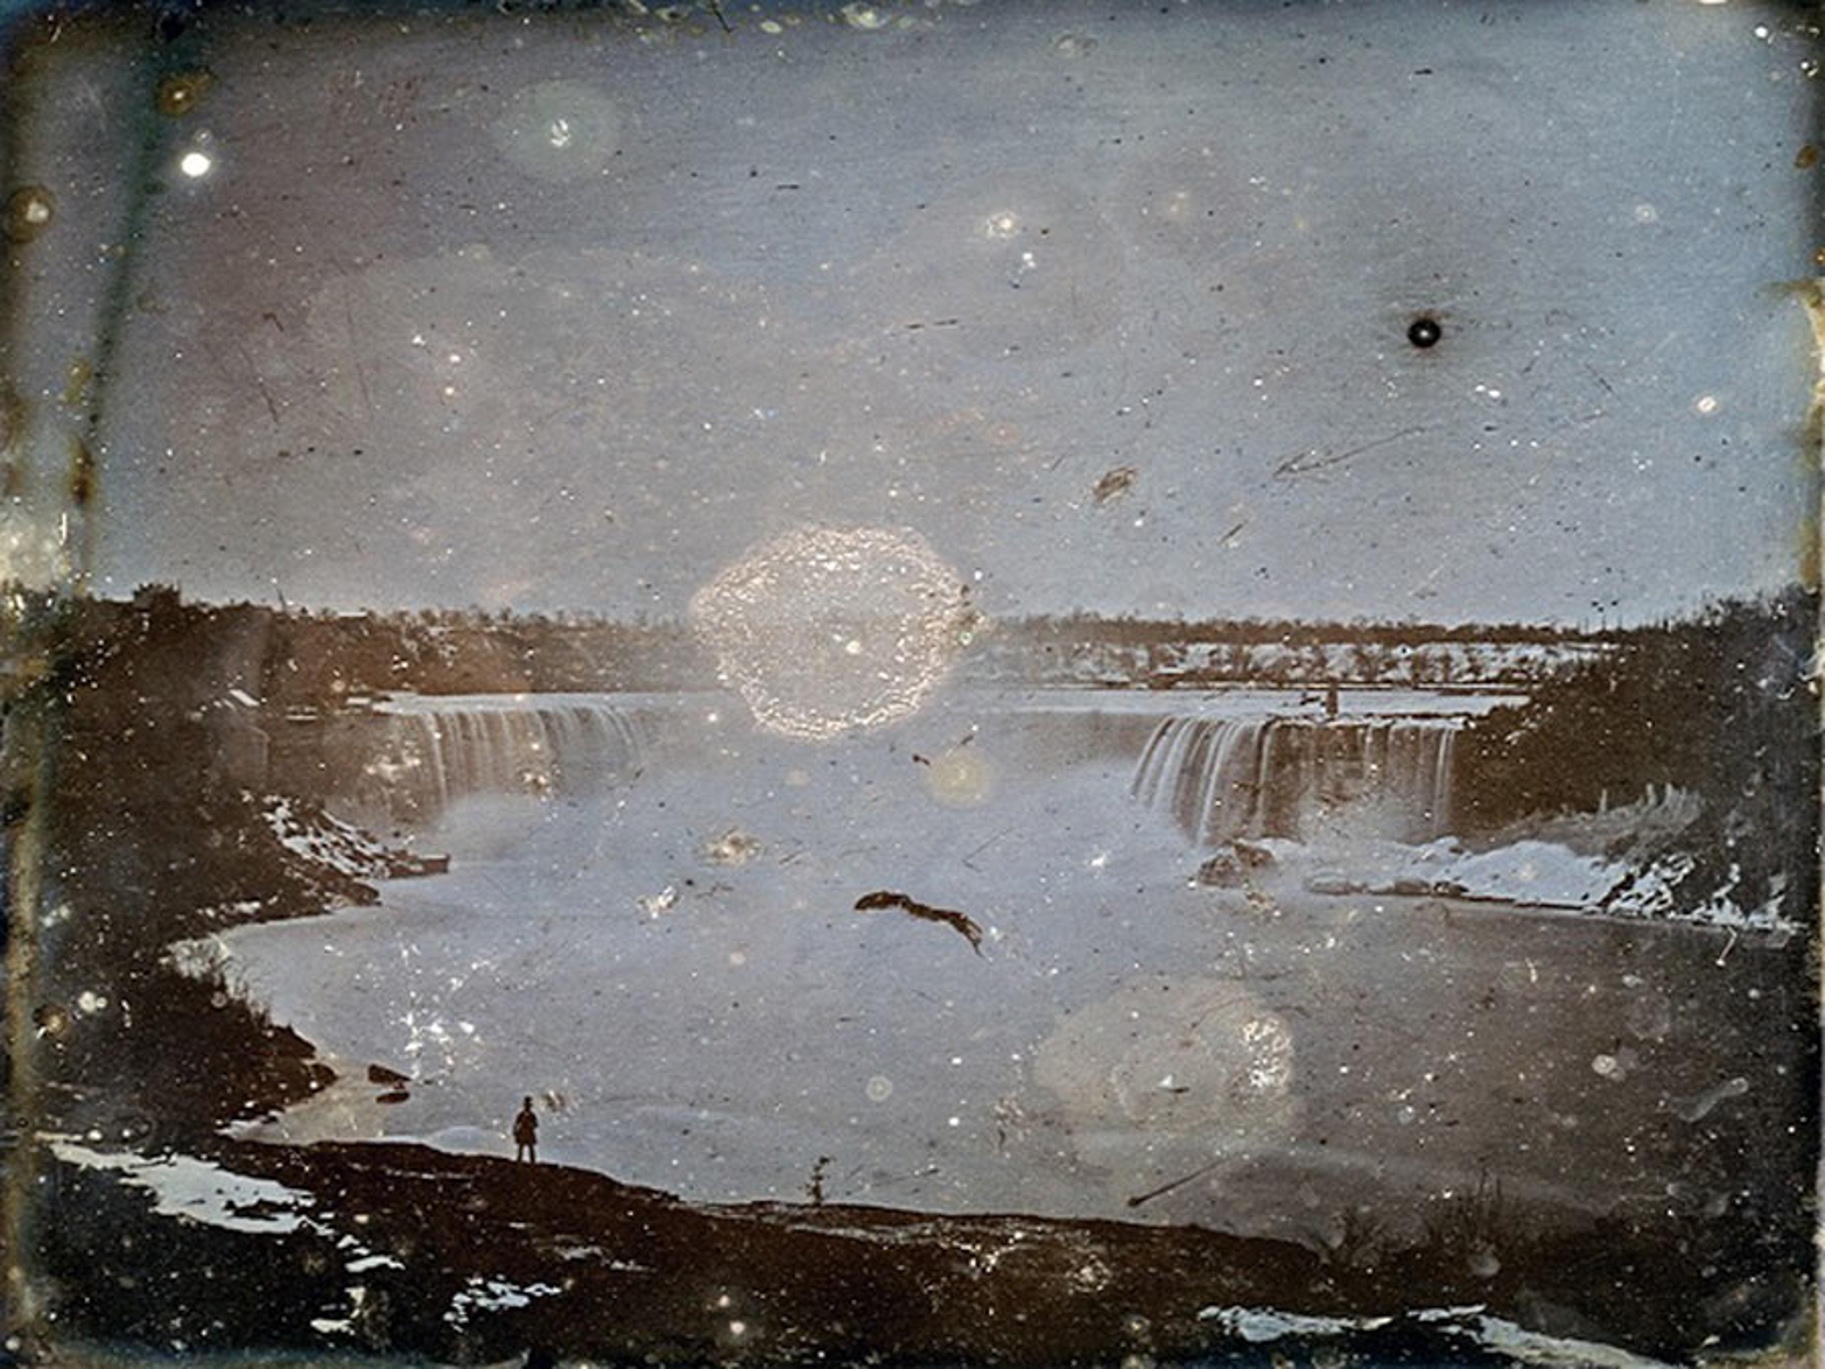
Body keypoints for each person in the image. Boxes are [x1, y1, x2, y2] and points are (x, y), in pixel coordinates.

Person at [513, 1095, 539, 1163]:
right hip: (523, 1132)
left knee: (531, 1148)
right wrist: (515, 1131)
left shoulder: (532, 1115)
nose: (527, 1107)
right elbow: (516, 1123)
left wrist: (531, 1125)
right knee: (521, 1148)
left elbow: (536, 1124)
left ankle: (532, 1161)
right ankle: (519, 1160)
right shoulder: (521, 1114)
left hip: (529, 1132)